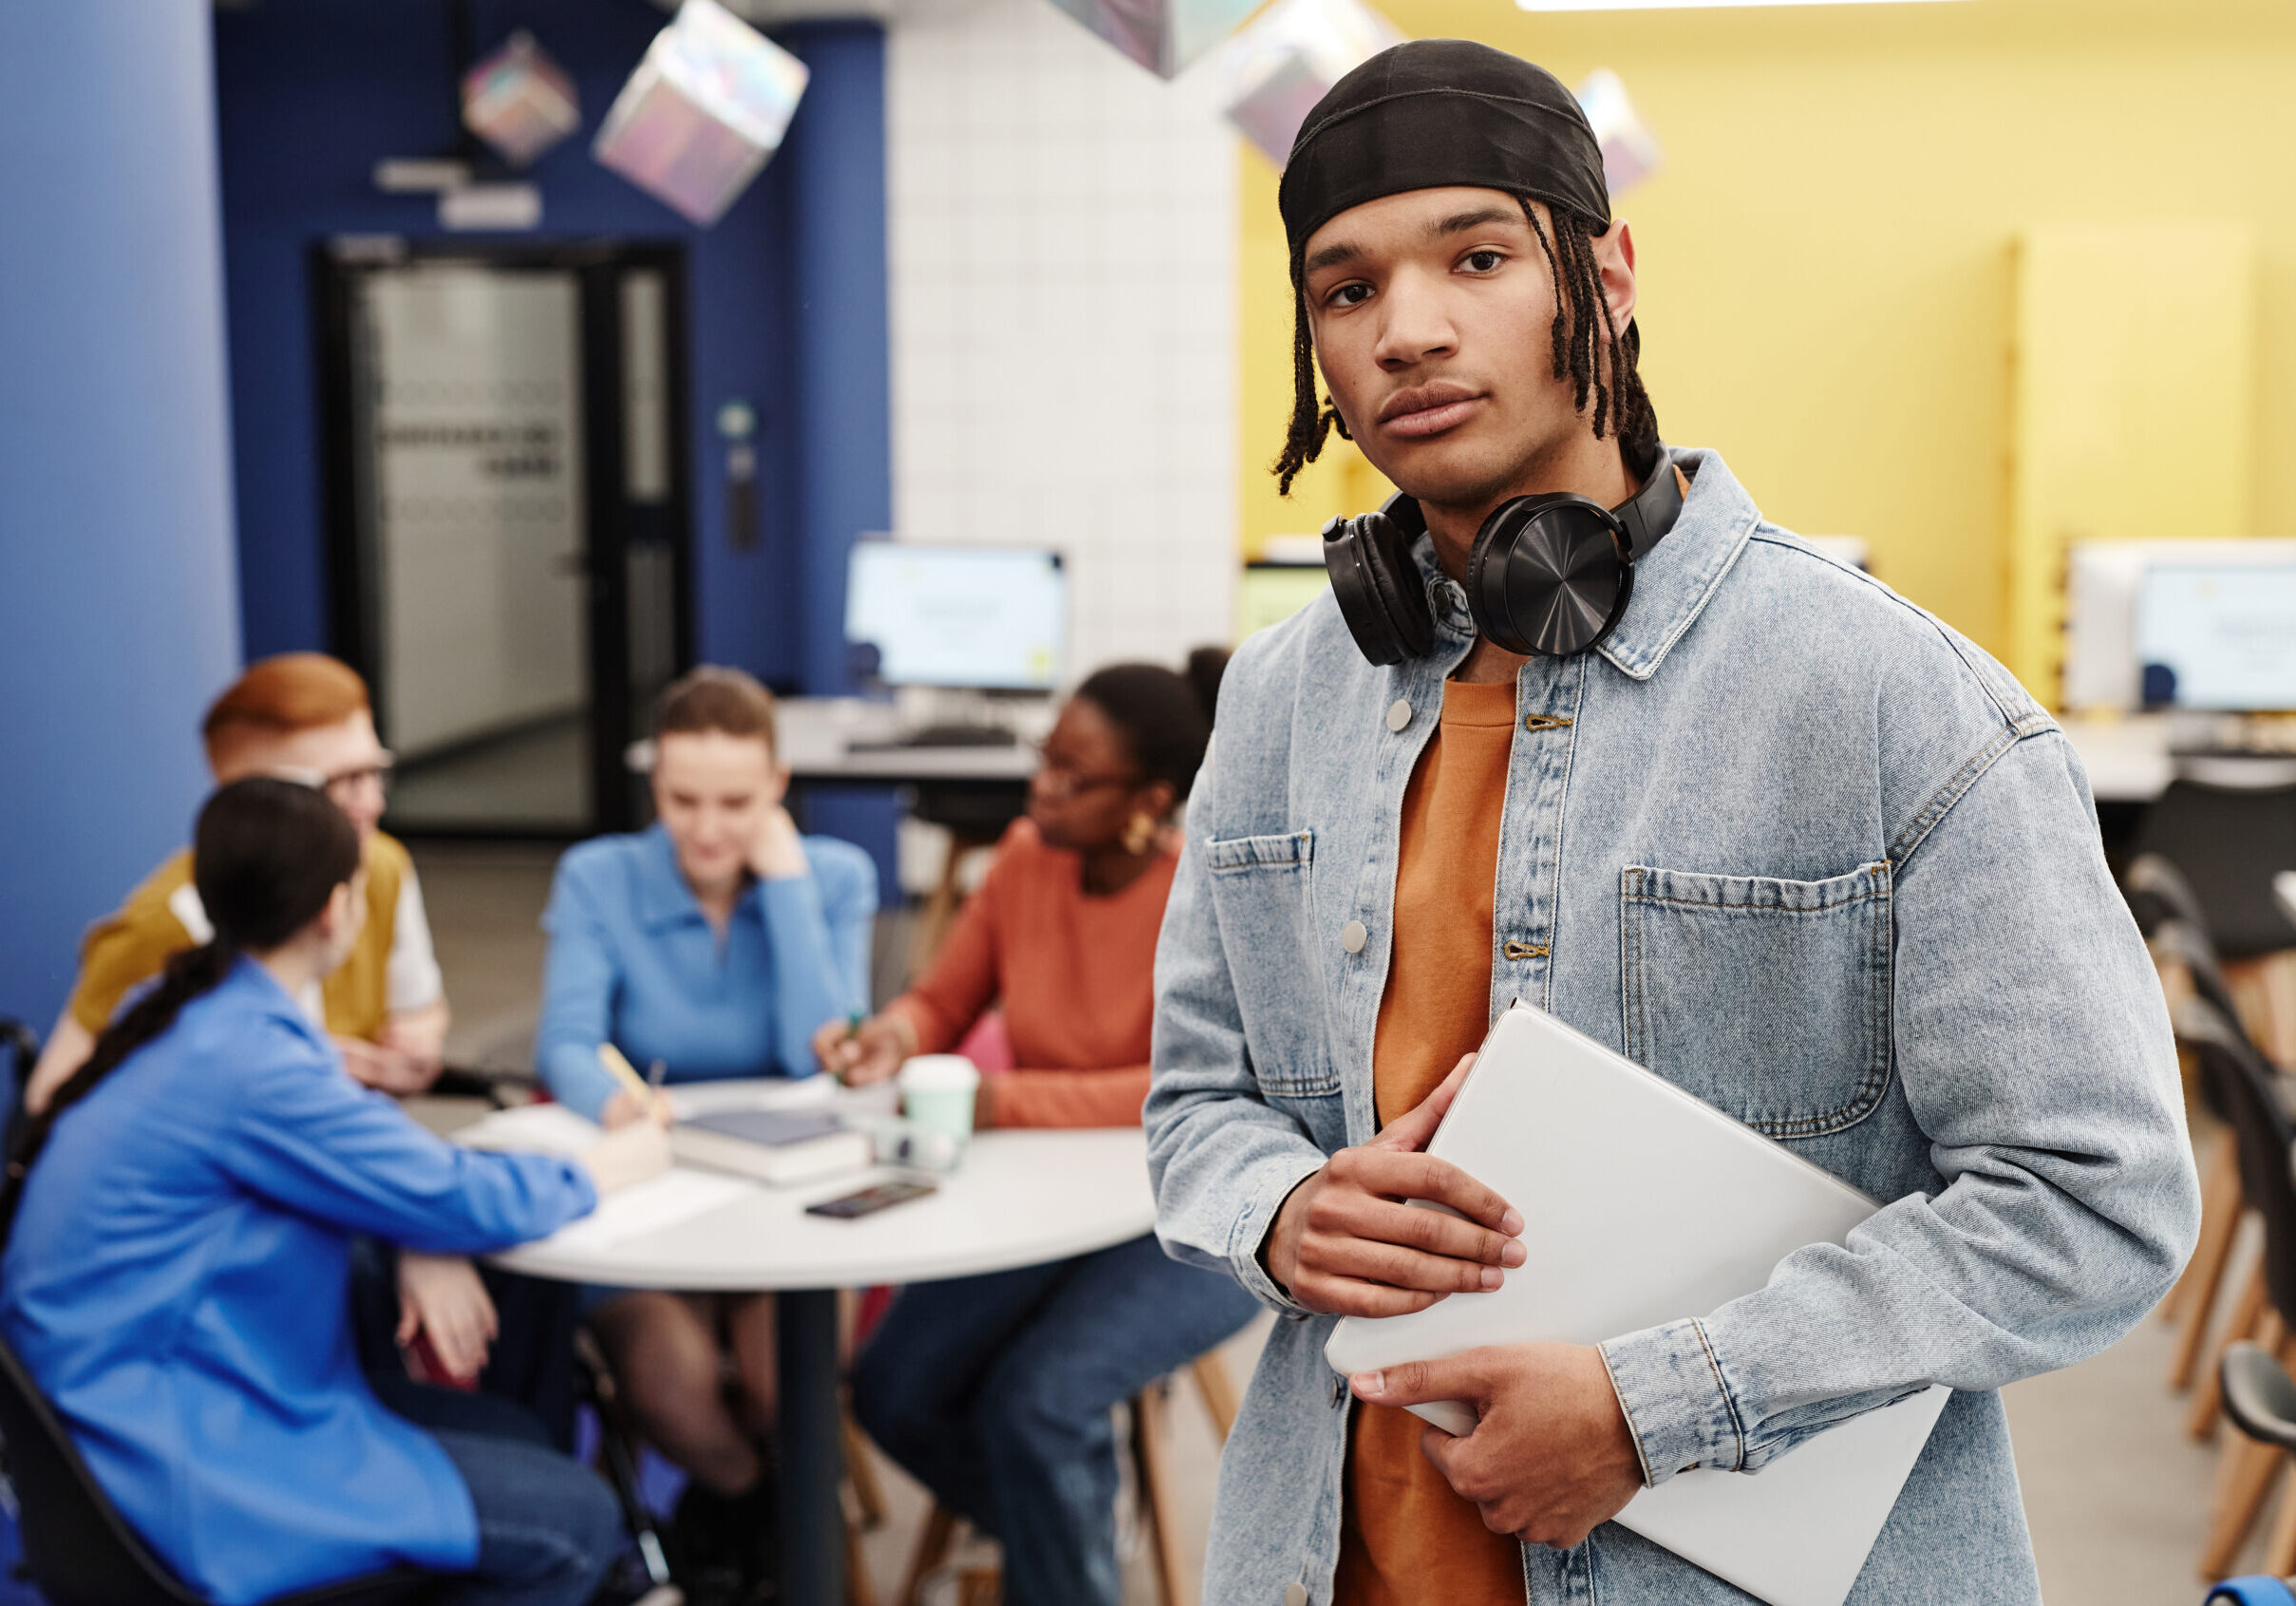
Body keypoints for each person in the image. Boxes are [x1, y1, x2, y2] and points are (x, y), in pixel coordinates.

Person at [1143, 41, 2201, 1606]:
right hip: (1323, 1558)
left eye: (1477, 257)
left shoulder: (1891, 701)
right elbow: (1195, 1104)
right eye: (1345, 289)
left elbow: (2093, 1198)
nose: (1409, 330)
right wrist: (1278, 1207)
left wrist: (1660, 1407)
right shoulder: (1280, 697)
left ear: (1607, 273)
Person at [0, 778, 672, 1606]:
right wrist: (613, 1163)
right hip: (185, 1454)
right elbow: (459, 1193)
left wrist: (417, 1225)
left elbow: (393, 1182)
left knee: (520, 1442)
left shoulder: (189, 1016)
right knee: (573, 1522)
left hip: (135, 1415)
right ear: (337, 909)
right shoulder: (252, 1061)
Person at [826, 661, 1260, 1606]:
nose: (1043, 785)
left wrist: (1005, 1100)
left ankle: (1065, 1556)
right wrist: (885, 1040)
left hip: (1185, 1217)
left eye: (1075, 773)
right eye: (1045, 758)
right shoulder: (1025, 859)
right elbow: (941, 999)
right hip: (1040, 1204)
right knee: (894, 1386)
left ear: (1149, 799)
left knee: (1038, 1399)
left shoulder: (1202, 886)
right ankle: (1070, 1544)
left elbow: (1187, 1083)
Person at [534, 664, 876, 1598]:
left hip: (784, 1195)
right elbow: (565, 1039)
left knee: (782, 1381)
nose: (709, 827)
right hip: (657, 1185)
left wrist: (788, 887)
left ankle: (740, 1548)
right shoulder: (600, 875)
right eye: (683, 799)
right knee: (675, 1385)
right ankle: (760, 1512)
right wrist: (616, 1105)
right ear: (656, 787)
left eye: (736, 800)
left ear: (777, 787)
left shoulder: (833, 876)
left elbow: (821, 1056)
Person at [28, 652, 446, 1110]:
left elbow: (421, 1010)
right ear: (254, 801)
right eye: (343, 782)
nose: (372, 802)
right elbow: (53, 1100)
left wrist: (418, 1042)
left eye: (374, 772)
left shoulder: (381, 864)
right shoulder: (167, 923)